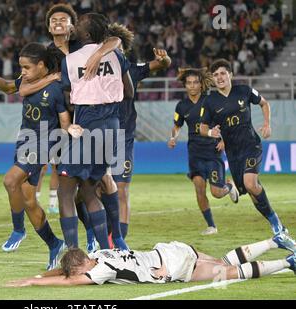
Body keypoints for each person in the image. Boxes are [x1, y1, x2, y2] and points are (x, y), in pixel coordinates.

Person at [0, 43, 82, 270]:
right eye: (21, 67)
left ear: (42, 65)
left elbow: (64, 121)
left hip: (44, 143)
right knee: (28, 201)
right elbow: (7, 87)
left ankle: (18, 230)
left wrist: (65, 143)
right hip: (25, 140)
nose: (23, 71)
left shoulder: (56, 88)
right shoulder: (27, 82)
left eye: (27, 67)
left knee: (10, 180)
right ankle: (54, 244)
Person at [200, 59, 296, 251]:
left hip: (251, 146)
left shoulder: (244, 90)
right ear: (212, 79)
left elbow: (264, 103)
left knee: (251, 183)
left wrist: (267, 124)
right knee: (251, 193)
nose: (219, 77)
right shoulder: (210, 101)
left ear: (230, 75)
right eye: (215, 75)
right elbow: (202, 128)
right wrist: (212, 133)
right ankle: (275, 223)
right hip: (233, 154)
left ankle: (277, 225)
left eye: (222, 73)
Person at [58, 13, 133, 251]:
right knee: (89, 189)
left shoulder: (71, 60)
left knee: (65, 191)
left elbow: (68, 97)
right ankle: (110, 248)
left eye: (79, 23)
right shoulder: (116, 55)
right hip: (112, 126)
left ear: (87, 33)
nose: (75, 25)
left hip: (88, 125)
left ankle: (73, 254)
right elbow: (129, 91)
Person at [107, 23, 172, 241]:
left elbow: (162, 64)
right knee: (98, 191)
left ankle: (120, 241)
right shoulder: (93, 71)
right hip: (99, 137)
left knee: (122, 189)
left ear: (123, 49)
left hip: (124, 137)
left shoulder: (132, 70)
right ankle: (100, 235)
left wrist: (165, 59)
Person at [6, 238, 296, 286]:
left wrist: (35, 280)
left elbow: (71, 280)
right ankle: (273, 242)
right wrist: (43, 274)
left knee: (229, 274)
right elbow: (69, 270)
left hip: (170, 268)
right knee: (222, 262)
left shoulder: (103, 270)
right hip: (172, 249)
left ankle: (287, 262)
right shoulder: (101, 254)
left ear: (82, 265)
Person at [167, 67, 239, 235]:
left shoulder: (212, 101)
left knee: (217, 193)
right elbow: (177, 126)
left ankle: (229, 186)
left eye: (195, 83)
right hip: (195, 153)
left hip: (212, 151)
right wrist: (173, 137)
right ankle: (211, 226)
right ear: (185, 85)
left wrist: (223, 139)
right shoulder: (181, 106)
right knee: (199, 187)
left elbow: (225, 121)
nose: (192, 86)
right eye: (189, 83)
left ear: (201, 84)